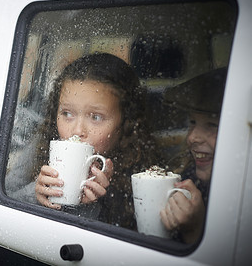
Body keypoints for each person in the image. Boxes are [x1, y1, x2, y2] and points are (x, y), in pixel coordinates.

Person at [33, 52, 157, 229]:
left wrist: (92, 205)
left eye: (96, 117)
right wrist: (38, 194)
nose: (77, 131)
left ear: (125, 123)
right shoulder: (40, 149)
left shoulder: (144, 181)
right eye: (67, 114)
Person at [160, 67, 227, 243]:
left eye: (212, 125)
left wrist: (195, 228)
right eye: (192, 122)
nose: (192, 137)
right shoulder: (189, 178)